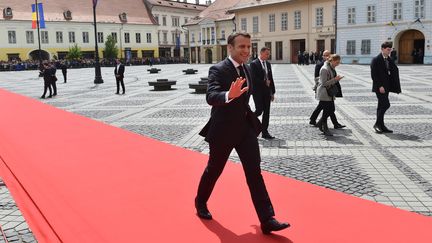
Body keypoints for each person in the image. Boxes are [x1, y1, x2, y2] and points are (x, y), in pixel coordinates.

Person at [195, 32, 290, 234]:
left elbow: (251, 95)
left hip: (245, 129)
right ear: (230, 48)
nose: (246, 51)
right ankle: (200, 202)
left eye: (248, 47)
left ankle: (267, 219)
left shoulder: (248, 68)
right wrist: (229, 95)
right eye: (241, 47)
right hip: (223, 129)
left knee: (254, 173)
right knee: (214, 169)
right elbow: (211, 95)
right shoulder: (218, 69)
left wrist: (266, 97)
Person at [370, 41, 401, 133]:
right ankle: (377, 124)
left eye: (390, 50)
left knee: (381, 106)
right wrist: (380, 86)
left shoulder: (388, 59)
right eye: (388, 50)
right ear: (382, 49)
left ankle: (381, 125)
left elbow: (393, 70)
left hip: (387, 87)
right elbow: (374, 75)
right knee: (386, 104)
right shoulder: (376, 60)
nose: (389, 51)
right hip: (379, 87)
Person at [310, 50, 345, 129]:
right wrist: (335, 79)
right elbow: (321, 81)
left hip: (329, 91)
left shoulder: (331, 66)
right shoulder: (323, 66)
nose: (326, 57)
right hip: (324, 91)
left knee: (328, 109)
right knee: (328, 109)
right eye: (325, 55)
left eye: (328, 55)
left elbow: (331, 78)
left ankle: (321, 123)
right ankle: (322, 125)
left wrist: (336, 79)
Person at [250, 47, 276, 139]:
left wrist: (272, 92)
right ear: (261, 53)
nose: (268, 56)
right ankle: (249, 120)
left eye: (269, 54)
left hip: (267, 92)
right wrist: (263, 82)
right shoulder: (253, 64)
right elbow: (253, 78)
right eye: (267, 54)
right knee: (259, 110)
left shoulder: (268, 64)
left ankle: (265, 132)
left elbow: (271, 78)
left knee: (267, 112)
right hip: (257, 92)